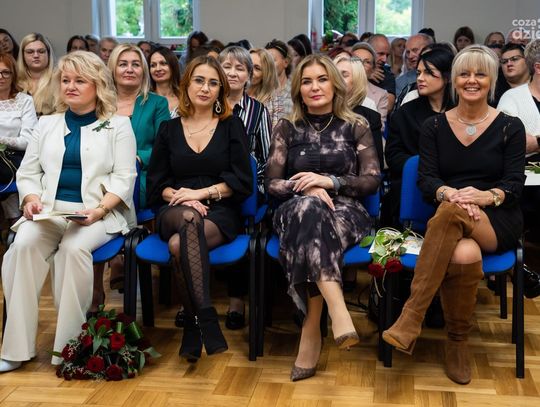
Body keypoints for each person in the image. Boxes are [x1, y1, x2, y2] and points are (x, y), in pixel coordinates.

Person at [383, 45, 526, 385]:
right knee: (463, 253)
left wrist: (484, 196)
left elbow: (513, 184)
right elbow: (426, 179)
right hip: (449, 218)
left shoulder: (511, 127)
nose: (471, 80)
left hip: (496, 218)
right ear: (454, 80)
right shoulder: (433, 126)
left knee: (450, 212)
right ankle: (457, 341)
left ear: (492, 80)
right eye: (464, 74)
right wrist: (450, 193)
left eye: (480, 74)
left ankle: (411, 316)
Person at [0, 51, 137, 373]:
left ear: (97, 85)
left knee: (72, 250)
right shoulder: (47, 124)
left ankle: (69, 349)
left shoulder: (118, 125)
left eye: (79, 80)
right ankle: (16, 348)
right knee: (22, 246)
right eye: (65, 80)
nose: (70, 86)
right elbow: (28, 172)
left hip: (99, 212)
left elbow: (124, 178)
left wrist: (99, 210)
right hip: (49, 211)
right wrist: (30, 199)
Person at [266, 54, 381, 381]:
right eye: (306, 81)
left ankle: (312, 326)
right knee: (309, 209)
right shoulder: (286, 127)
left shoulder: (356, 125)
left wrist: (331, 182)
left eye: (321, 79)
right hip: (295, 206)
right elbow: (270, 183)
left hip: (346, 209)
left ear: (335, 84)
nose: (314, 87)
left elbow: (372, 180)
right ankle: (337, 310)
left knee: (312, 225)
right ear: (298, 90)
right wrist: (305, 186)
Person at [146, 55, 253, 362]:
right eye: (199, 81)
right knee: (188, 216)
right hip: (174, 208)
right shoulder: (168, 129)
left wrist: (202, 193)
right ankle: (207, 315)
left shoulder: (231, 126)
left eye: (213, 83)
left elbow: (242, 180)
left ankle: (193, 325)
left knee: (178, 244)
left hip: (220, 209)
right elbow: (156, 184)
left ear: (220, 91)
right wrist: (184, 197)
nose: (205, 88)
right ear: (186, 85)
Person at [88, 43, 169, 306]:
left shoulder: (157, 103)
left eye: (136, 64)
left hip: (142, 177)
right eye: (123, 64)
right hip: (102, 177)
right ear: (112, 69)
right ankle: (97, 283)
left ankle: (117, 261)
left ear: (143, 70)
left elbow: (165, 146)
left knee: (106, 201)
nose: (129, 69)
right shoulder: (98, 103)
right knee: (92, 199)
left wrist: (136, 157)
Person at [219, 45, 272, 329]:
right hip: (206, 187)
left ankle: (236, 299)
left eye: (240, 68)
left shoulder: (257, 111)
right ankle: (191, 299)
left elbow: (266, 158)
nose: (232, 73)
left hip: (243, 190)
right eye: (226, 66)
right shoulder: (204, 105)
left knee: (240, 219)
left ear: (249, 76)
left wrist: (248, 182)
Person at [497, 39, 540, 298]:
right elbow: (515, 144)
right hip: (524, 176)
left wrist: (536, 140)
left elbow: (530, 141)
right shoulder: (512, 98)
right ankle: (522, 269)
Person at [0, 53, 38, 224]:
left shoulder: (24, 101)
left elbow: (28, 141)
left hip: (14, 159)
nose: (1, 77)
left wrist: (1, 140)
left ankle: (13, 226)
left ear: (13, 74)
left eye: (5, 72)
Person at [333, 54, 383, 167]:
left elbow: (374, 166)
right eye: (334, 75)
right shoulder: (320, 113)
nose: (336, 79)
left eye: (344, 75)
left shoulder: (370, 117)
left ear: (356, 81)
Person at [17, 33, 55, 116]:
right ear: (22, 56)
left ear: (48, 54)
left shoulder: (59, 80)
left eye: (41, 51)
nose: (36, 55)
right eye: (30, 52)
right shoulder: (14, 82)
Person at [351, 42, 388, 130]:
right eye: (356, 60)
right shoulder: (339, 88)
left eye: (367, 62)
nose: (361, 65)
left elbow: (380, 127)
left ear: (373, 69)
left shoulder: (381, 94)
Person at [395, 34, 434, 100]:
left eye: (415, 50)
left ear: (428, 49)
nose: (410, 56)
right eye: (408, 52)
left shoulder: (441, 75)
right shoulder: (401, 82)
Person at [265, 39, 293, 127]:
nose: (269, 64)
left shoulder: (295, 90)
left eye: (272, 60)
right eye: (266, 61)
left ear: (286, 62)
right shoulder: (262, 91)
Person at [149, 46, 181, 118]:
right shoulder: (144, 99)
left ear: (173, 66)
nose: (158, 69)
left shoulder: (186, 98)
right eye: (153, 65)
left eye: (163, 63)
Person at [367, 34, 396, 111]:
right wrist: (364, 76)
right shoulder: (353, 70)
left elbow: (387, 107)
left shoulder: (387, 76)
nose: (384, 59)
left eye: (387, 55)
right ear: (369, 51)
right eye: (381, 54)